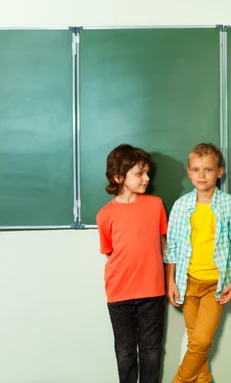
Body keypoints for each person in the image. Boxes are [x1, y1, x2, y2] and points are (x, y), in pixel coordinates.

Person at [164, 143, 231, 383]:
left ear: (219, 172)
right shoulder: (180, 207)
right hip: (187, 283)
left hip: (214, 285)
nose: (201, 175)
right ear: (189, 172)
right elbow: (173, 249)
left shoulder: (230, 204)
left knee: (201, 341)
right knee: (196, 341)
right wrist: (171, 282)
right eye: (196, 170)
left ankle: (178, 380)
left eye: (207, 169)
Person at [96, 144, 167, 383]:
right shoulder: (105, 214)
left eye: (147, 172)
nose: (147, 178)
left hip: (153, 291)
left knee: (152, 350)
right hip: (119, 293)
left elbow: (163, 245)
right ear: (119, 177)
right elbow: (109, 252)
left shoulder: (156, 205)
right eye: (139, 173)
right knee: (125, 352)